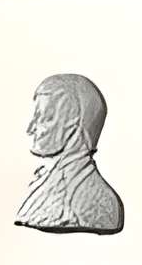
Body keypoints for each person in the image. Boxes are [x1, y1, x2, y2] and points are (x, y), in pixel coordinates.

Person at [14, 72, 124, 234]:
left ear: (76, 124)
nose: (31, 129)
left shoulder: (98, 203)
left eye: (46, 117)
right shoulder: (47, 181)